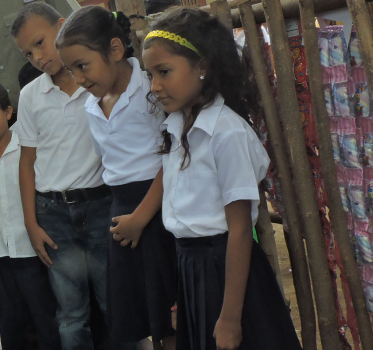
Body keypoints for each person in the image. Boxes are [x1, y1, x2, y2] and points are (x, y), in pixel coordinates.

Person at [119, 8, 301, 350]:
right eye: (150, 75)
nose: (155, 86)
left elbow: (240, 230)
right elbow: (181, 216)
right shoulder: (176, 128)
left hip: (227, 274)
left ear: (202, 67)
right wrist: (182, 295)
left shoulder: (226, 134)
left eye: (164, 72)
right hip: (193, 269)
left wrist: (230, 318)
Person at [55, 6, 178, 350]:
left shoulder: (151, 92)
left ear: (114, 50)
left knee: (170, 316)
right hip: (122, 214)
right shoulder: (92, 105)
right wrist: (128, 219)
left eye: (82, 66)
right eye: (70, 69)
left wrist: (141, 218)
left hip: (158, 212)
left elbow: (173, 160)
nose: (78, 78)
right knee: (146, 315)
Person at [10, 4, 119, 350]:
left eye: (41, 42)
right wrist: (31, 222)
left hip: (102, 206)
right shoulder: (31, 97)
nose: (38, 56)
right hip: (54, 215)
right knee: (71, 314)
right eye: (28, 52)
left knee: (114, 304)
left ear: (62, 26)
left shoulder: (97, 82)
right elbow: (26, 162)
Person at [0, 80, 61, 350]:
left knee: (46, 319)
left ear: (8, 112)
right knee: (10, 322)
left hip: (32, 251)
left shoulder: (27, 148)